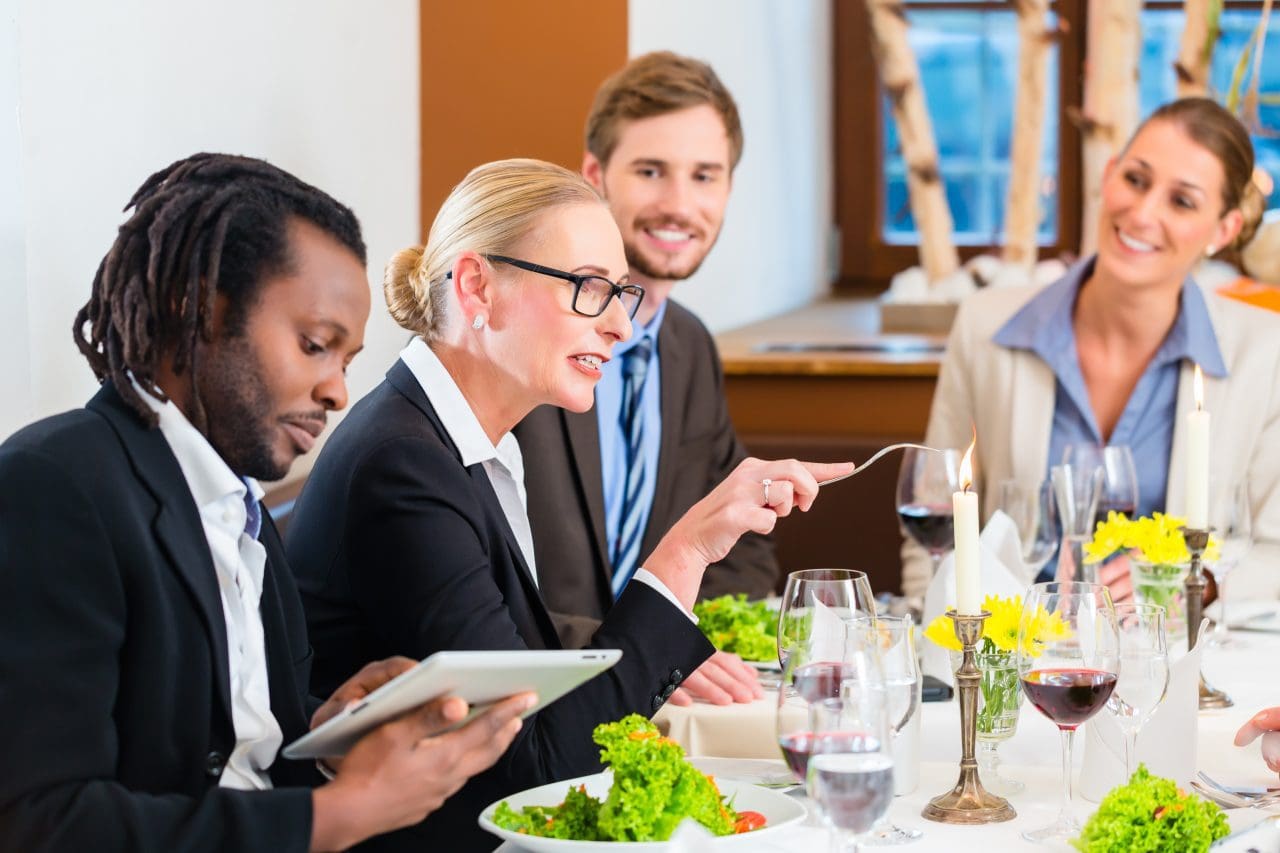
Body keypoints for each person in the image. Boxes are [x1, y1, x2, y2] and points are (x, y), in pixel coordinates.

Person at [286, 158, 850, 851]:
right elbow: (535, 773)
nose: (618, 323)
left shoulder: (470, 444)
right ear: (477, 287)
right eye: (588, 287)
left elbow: (524, 690)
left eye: (621, 292)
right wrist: (686, 550)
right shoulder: (403, 463)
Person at [0, 153, 532, 853]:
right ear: (198, 311)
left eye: (346, 361)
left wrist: (329, 730)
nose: (339, 391)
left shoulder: (236, 505)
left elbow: (232, 747)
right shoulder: (56, 486)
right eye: (315, 346)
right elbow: (43, 822)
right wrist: (343, 811)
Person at [904, 97, 1280, 602]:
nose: (1143, 213)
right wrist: (938, 663)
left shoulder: (1265, 351)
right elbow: (935, 524)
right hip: (1015, 662)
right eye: (1136, 180)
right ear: (1108, 176)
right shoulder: (985, 325)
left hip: (1178, 661)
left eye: (1182, 201)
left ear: (1224, 230)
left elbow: (1273, 555)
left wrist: (1199, 582)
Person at [512, 53, 778, 706]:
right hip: (528, 713)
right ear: (596, 175)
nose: (679, 205)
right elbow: (472, 579)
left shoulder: (689, 345)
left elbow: (742, 554)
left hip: (650, 710)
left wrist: (676, 648)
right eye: (651, 171)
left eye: (705, 176)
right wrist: (644, 648)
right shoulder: (521, 331)